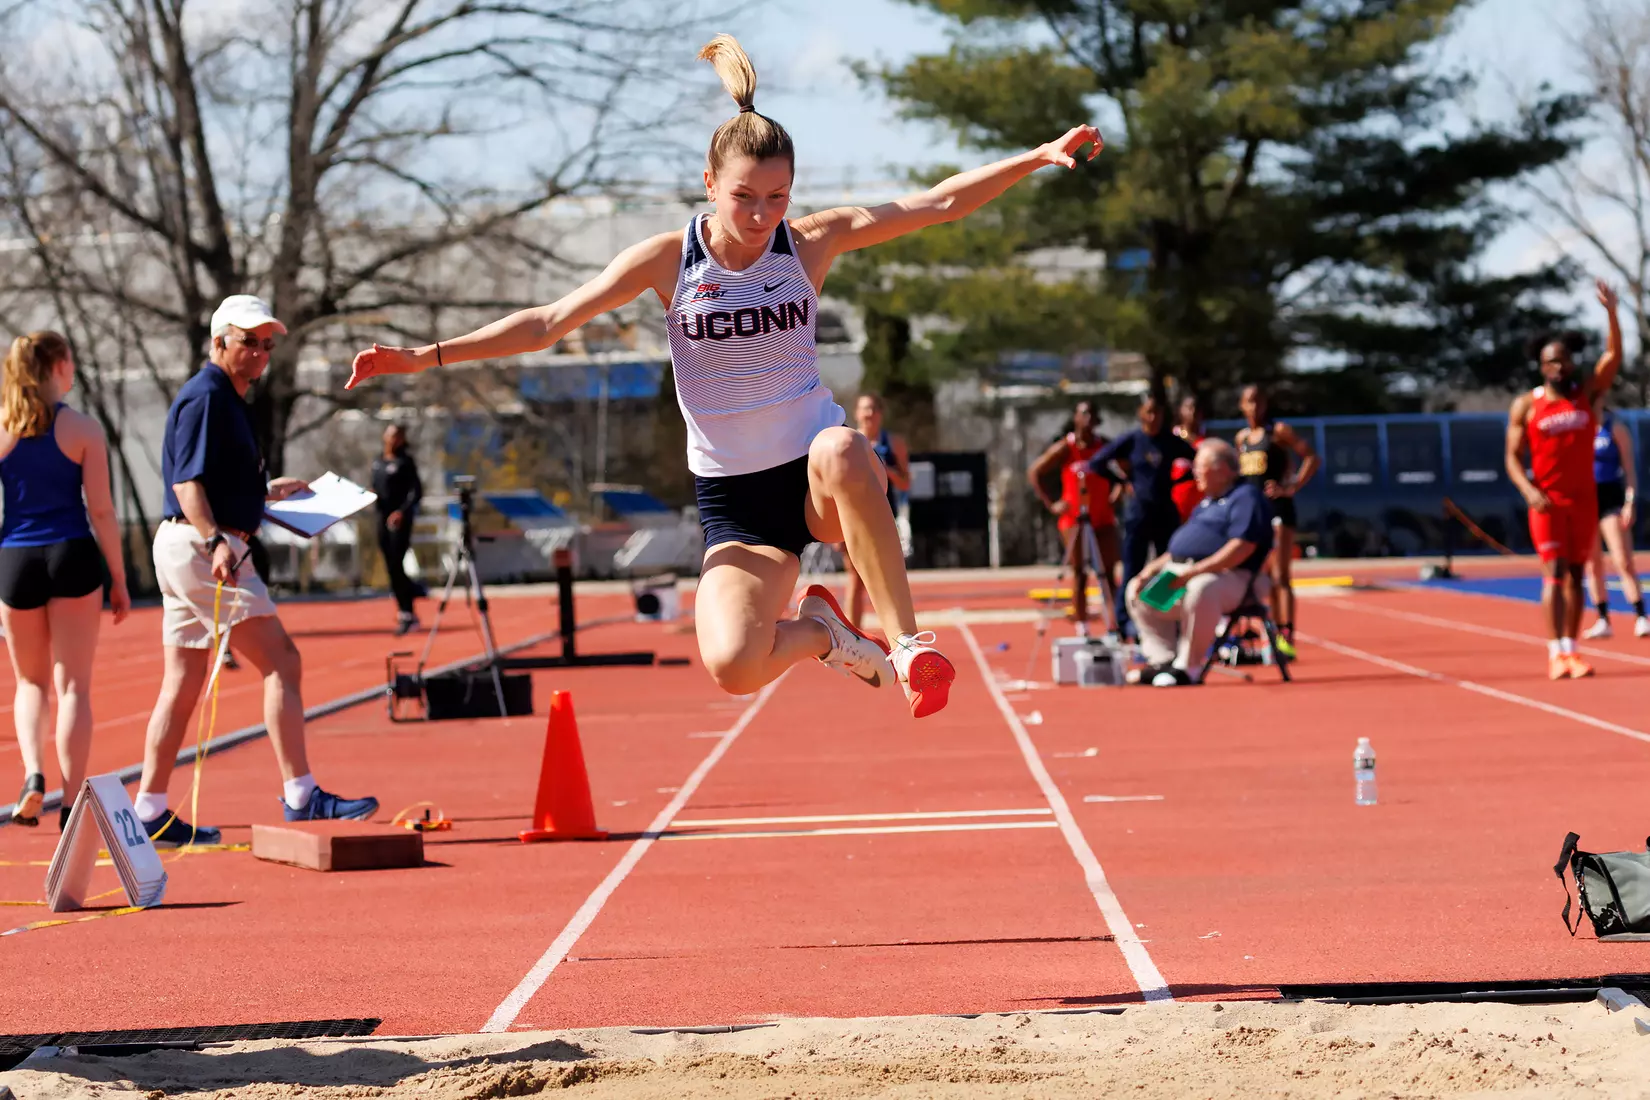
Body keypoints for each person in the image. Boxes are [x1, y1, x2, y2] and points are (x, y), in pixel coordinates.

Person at [347, 35, 1105, 719]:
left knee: (844, 448)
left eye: (777, 198)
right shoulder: (666, 261)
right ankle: (824, 634)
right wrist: (424, 356)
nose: (760, 214)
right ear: (709, 182)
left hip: (814, 479)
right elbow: (548, 323)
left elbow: (937, 203)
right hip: (735, 502)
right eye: (744, 196)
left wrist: (1037, 156)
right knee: (734, 665)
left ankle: (908, 646)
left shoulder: (808, 243)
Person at [136, 294, 379, 846]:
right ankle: (301, 795)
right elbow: (186, 483)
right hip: (202, 546)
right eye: (249, 341)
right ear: (219, 342)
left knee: (183, 681)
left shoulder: (224, 397)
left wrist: (264, 493)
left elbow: (209, 481)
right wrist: (215, 540)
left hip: (185, 543)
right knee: (282, 662)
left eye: (267, 344)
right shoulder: (208, 396)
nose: (261, 353)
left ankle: (149, 810)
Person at [0, 333, 130, 829]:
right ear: (57, 366)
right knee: (73, 686)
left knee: (29, 682)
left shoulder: (4, 427)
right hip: (71, 554)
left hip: (16, 559)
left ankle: (33, 775)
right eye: (70, 361)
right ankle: (72, 800)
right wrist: (118, 577)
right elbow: (102, 510)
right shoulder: (82, 429)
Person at [1506, 278, 1623, 680]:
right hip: (1547, 501)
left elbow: (1613, 356)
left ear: (1572, 362)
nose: (1559, 367)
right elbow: (1511, 457)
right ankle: (1554, 651)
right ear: (1541, 367)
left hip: (1584, 499)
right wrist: (1527, 490)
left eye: (1564, 360)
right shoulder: (1527, 405)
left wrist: (1612, 314)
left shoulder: (1585, 395)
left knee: (1576, 575)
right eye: (1551, 362)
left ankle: (1572, 651)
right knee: (1554, 573)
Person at [1124, 439, 1273, 686]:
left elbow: (1241, 548)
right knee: (1137, 591)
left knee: (1201, 588)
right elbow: (1179, 549)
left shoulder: (1245, 497)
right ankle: (1163, 661)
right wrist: (1149, 570)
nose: (1194, 473)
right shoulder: (1206, 503)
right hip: (1185, 571)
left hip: (1234, 578)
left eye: (1199, 467)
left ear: (1222, 470)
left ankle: (1188, 667)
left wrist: (1193, 572)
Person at [1089, 393, 1195, 640]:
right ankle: (1123, 622)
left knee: (1169, 567)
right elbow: (1097, 462)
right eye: (1149, 412)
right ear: (1140, 414)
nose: (1153, 417)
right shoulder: (1132, 440)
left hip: (1165, 512)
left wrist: (1178, 481)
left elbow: (1196, 459)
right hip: (1138, 513)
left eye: (1157, 412)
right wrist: (1123, 480)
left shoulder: (1170, 441)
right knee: (1132, 567)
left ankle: (1166, 617)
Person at [1235, 385, 1317, 659]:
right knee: (1262, 576)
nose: (1254, 407)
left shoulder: (1279, 432)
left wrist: (1291, 487)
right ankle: (1265, 632)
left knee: (1281, 575)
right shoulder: (1242, 438)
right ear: (1241, 406)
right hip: (1254, 513)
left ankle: (1286, 636)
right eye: (1249, 402)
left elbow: (1311, 457)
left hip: (1279, 509)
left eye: (1259, 401)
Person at [1027, 399, 1120, 633]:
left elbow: (1125, 471)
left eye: (1092, 414)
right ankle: (1082, 625)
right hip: (1074, 520)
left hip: (1102, 517)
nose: (1088, 419)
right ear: (1075, 418)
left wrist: (1116, 494)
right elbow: (1036, 471)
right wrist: (1053, 503)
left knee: (1108, 572)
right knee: (1080, 573)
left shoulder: (1104, 446)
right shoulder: (1066, 447)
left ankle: (1115, 622)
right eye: (1083, 414)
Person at [838, 393, 909, 630]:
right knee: (856, 577)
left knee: (887, 577)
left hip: (883, 517)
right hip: (852, 517)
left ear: (880, 413)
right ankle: (853, 633)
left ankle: (897, 633)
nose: (868, 414)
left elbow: (906, 483)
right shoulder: (847, 442)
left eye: (873, 409)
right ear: (856, 413)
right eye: (864, 409)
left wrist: (886, 471)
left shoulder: (894, 444)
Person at [1583, 395, 1647, 639]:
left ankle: (1641, 616)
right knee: (1592, 564)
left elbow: (1629, 470)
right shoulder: (1580, 430)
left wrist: (1630, 502)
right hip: (1586, 502)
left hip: (1611, 501)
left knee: (1622, 560)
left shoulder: (1615, 428)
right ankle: (1603, 619)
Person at [372, 423, 424, 635]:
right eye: (390, 435)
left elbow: (416, 492)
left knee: (396, 563)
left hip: (399, 521)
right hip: (380, 518)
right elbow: (376, 488)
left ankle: (407, 611)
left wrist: (402, 512)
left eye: (397, 436)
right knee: (390, 566)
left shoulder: (405, 462)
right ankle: (407, 601)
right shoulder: (378, 461)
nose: (393, 439)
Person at [1170, 393, 1205, 522]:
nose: (1193, 412)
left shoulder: (1207, 438)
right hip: (1177, 501)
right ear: (1181, 410)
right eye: (1189, 407)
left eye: (1196, 408)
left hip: (1202, 502)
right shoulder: (1172, 438)